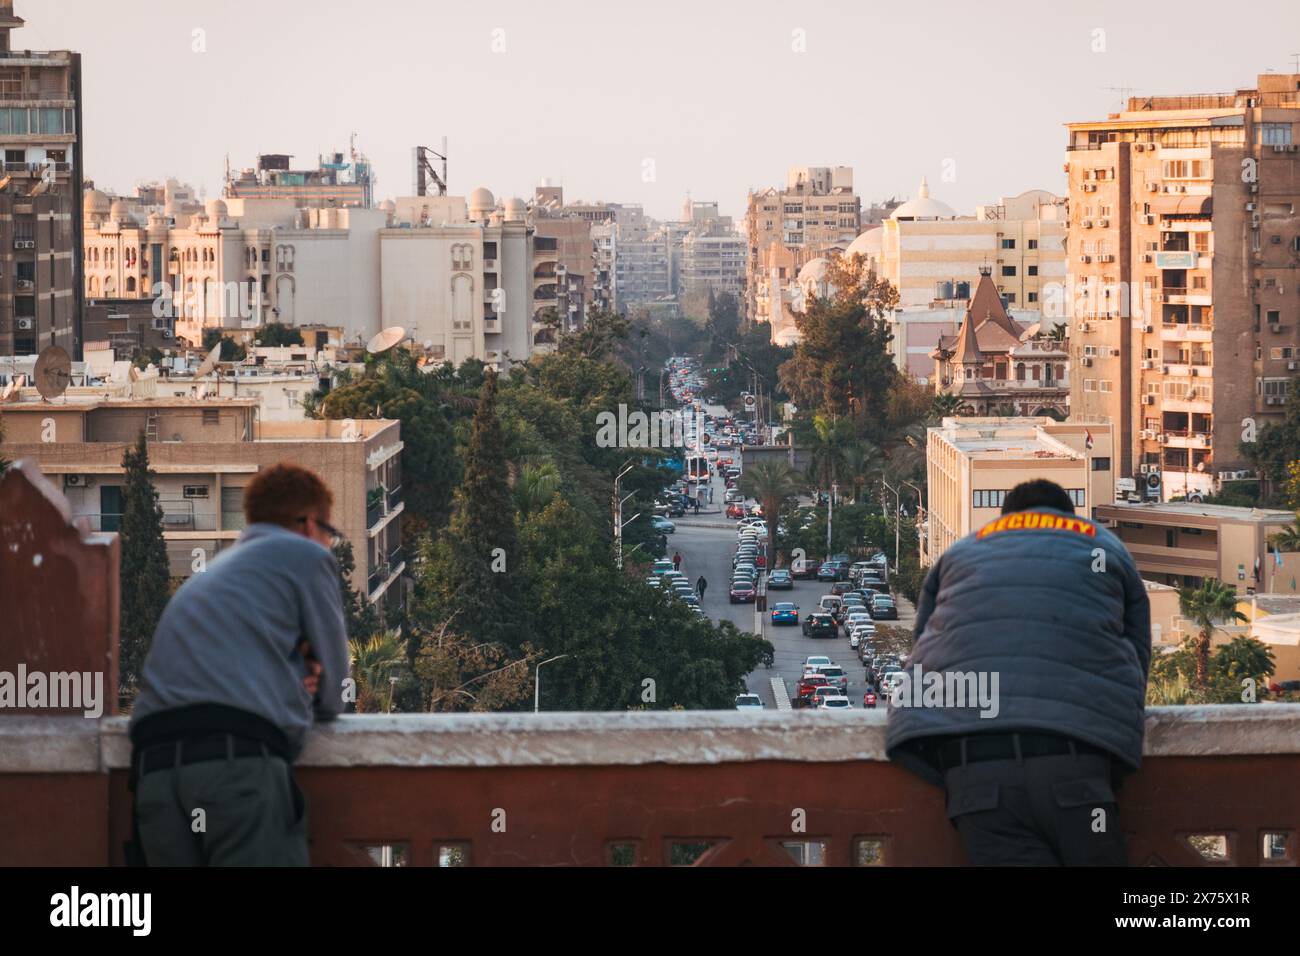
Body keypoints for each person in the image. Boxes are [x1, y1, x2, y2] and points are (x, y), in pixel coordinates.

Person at [885, 479, 1151, 866]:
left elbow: (923, 643)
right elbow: (1138, 649)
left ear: (1006, 516)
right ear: (1066, 514)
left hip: (975, 776)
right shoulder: (1103, 545)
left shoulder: (963, 550)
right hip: (1076, 769)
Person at [127, 463, 351, 866]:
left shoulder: (211, 576)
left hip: (154, 771)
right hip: (235, 767)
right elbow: (336, 691)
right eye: (329, 534)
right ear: (309, 523)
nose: (328, 546)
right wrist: (311, 688)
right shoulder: (303, 554)